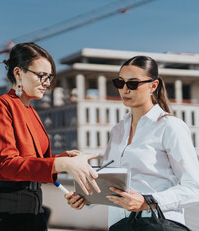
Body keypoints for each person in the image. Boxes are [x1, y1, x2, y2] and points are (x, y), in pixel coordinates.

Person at [0, 42, 101, 231]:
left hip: (33, 208)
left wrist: (63, 159)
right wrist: (62, 164)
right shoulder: (0, 105)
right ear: (18, 73)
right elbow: (7, 164)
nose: (47, 83)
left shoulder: (32, 112)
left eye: (49, 77)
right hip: (3, 211)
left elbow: (36, 163)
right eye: (41, 76)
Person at [65, 55, 199, 227]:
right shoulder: (118, 130)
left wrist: (147, 201)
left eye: (133, 84)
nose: (125, 90)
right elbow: (109, 183)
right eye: (120, 83)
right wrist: (85, 198)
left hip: (156, 224)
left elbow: (194, 187)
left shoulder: (170, 127)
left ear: (153, 85)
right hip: (119, 225)